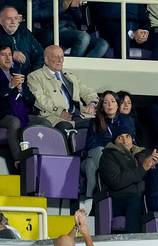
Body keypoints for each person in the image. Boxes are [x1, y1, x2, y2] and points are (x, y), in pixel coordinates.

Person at [98, 128, 158, 233]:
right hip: (117, 200)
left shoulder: (139, 155)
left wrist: (152, 167)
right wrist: (142, 169)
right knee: (134, 200)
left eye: (127, 136)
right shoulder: (108, 156)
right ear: (114, 140)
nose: (124, 140)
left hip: (140, 197)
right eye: (120, 137)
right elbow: (115, 181)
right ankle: (133, 238)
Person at [0, 44, 51, 173]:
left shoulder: (17, 73)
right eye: (3, 55)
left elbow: (31, 100)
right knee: (14, 122)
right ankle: (19, 161)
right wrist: (11, 87)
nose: (8, 58)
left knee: (44, 122)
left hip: (20, 113)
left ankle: (43, 158)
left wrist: (21, 89)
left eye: (10, 55)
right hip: (3, 114)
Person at [83, 90, 137, 208]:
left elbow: (132, 142)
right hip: (102, 155)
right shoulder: (95, 122)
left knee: (90, 164)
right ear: (102, 107)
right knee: (97, 151)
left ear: (118, 104)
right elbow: (91, 146)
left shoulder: (127, 120)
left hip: (120, 156)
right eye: (106, 103)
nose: (110, 105)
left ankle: (90, 201)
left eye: (112, 101)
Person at [27, 45, 98, 133]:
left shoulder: (69, 74)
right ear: (46, 60)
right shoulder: (35, 77)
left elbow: (86, 90)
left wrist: (92, 103)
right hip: (55, 116)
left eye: (62, 57)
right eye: (56, 57)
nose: (60, 60)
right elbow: (40, 100)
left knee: (98, 124)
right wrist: (60, 112)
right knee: (66, 127)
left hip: (78, 114)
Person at [89, 2, 158, 60]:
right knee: (123, 36)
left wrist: (144, 32)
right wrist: (131, 34)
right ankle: (123, 73)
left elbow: (145, 20)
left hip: (137, 38)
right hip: (114, 36)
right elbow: (105, 22)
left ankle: (152, 71)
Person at [31, 0, 108, 57]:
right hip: (55, 30)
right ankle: (74, 70)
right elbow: (35, 14)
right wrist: (62, 7)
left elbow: (79, 20)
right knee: (83, 37)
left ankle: (81, 69)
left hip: (73, 30)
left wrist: (73, 8)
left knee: (102, 44)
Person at [0, 6, 43, 75]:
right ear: (1, 21)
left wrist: (33, 75)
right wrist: (12, 54)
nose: (13, 22)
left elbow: (40, 56)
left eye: (16, 18)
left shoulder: (25, 33)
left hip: (27, 78)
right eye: (9, 18)